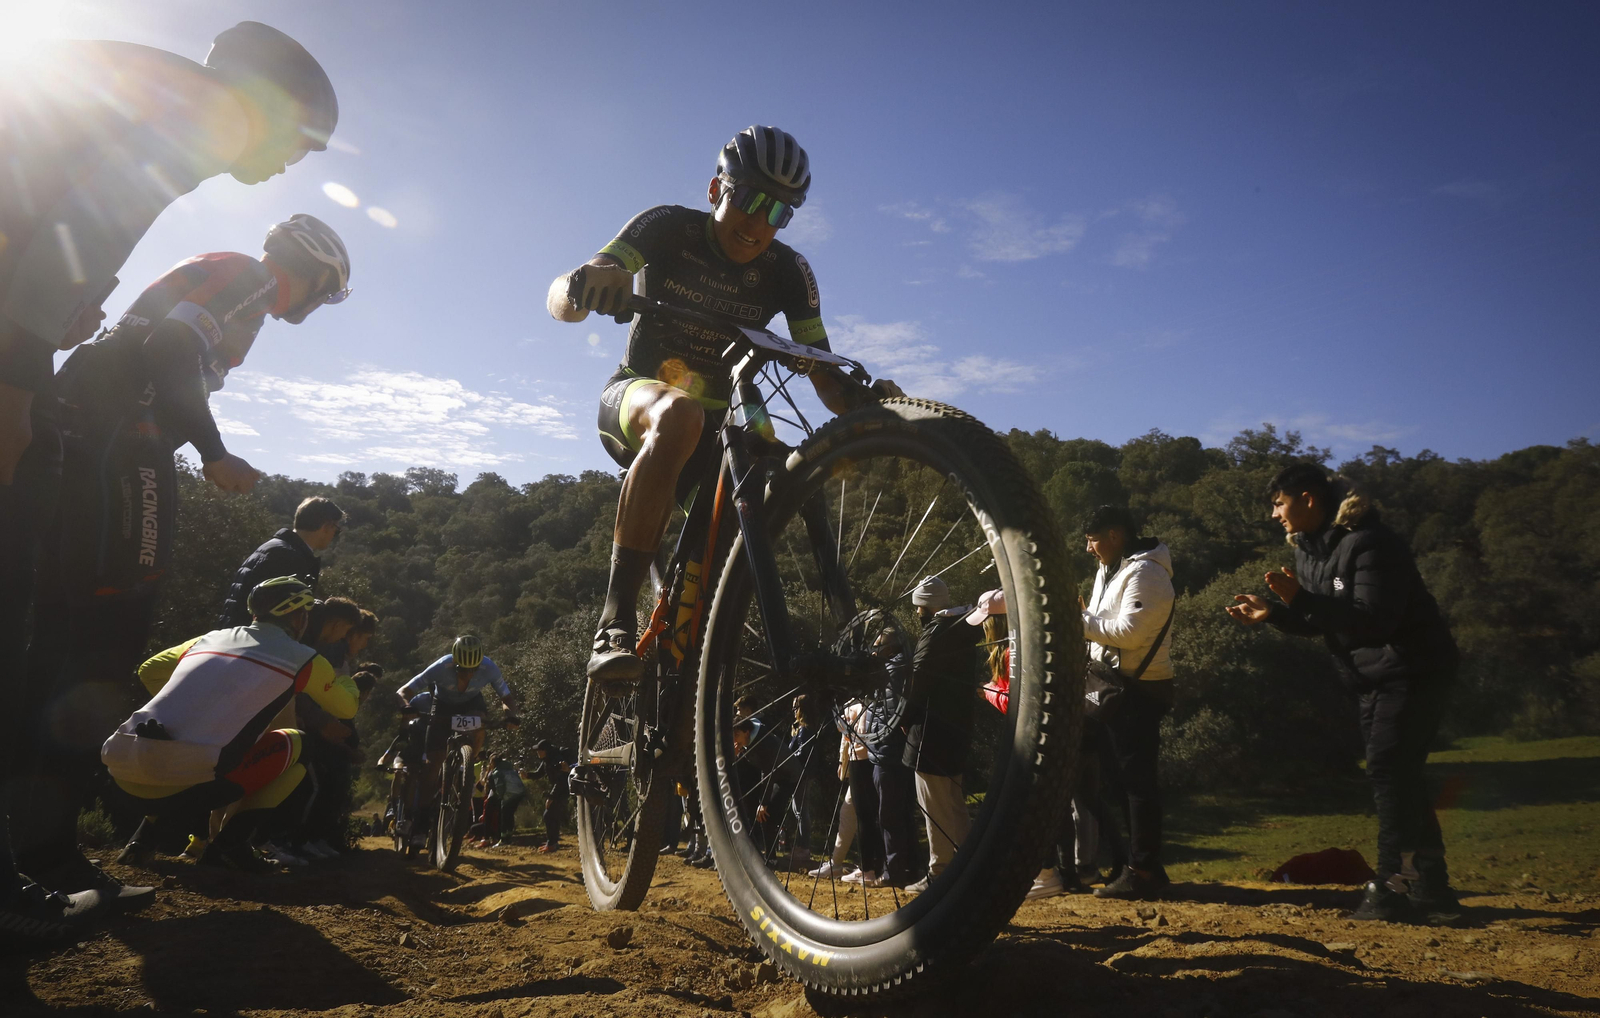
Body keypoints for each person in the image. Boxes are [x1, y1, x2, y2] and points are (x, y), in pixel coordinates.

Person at [2, 217, 352, 898]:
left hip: (87, 432)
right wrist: (212, 451)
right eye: (325, 289)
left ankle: (36, 849)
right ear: (307, 268)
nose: (315, 303)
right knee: (105, 641)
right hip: (120, 443)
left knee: (59, 638)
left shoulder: (228, 278)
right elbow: (169, 346)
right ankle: (49, 855)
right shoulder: (252, 279)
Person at [546, 125, 901, 688]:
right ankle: (614, 620)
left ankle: (693, 671)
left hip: (724, 433)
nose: (760, 223)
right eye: (750, 199)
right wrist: (589, 282)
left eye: (780, 211)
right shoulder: (667, 227)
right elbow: (562, 300)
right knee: (682, 414)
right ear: (717, 190)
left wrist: (871, 404)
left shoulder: (790, 271)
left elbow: (823, 371)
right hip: (641, 398)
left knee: (777, 472)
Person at [1227, 463, 1461, 924]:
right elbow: (1323, 620)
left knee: (1390, 770)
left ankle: (1393, 884)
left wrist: (1302, 601)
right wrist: (1275, 612)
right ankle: (1430, 885)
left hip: (1413, 670)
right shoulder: (1309, 551)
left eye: (1279, 503)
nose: (1275, 514)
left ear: (1309, 499)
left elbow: (1375, 621)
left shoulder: (1372, 543)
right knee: (1400, 773)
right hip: (1371, 677)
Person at [101, 577, 357, 873]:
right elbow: (345, 706)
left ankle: (142, 841)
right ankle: (229, 846)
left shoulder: (210, 638)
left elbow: (150, 669)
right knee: (300, 745)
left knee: (178, 744)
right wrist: (349, 682)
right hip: (191, 785)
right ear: (299, 617)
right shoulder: (303, 658)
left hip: (122, 772)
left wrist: (193, 703)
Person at [1079, 505, 1176, 902]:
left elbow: (1130, 633)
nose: (1089, 549)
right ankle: (1135, 864)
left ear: (1116, 535)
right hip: (1114, 686)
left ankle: (1143, 871)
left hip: (1138, 689)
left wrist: (1078, 620)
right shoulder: (1114, 568)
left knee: (1136, 782)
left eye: (1093, 539)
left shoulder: (1147, 573)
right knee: (1117, 778)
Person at [900, 577, 984, 893]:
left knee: (933, 806)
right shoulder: (964, 630)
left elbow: (918, 679)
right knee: (954, 803)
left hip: (930, 733)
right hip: (957, 728)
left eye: (918, 606)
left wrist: (903, 716)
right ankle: (970, 866)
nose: (917, 612)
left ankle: (941, 871)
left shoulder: (935, 634)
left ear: (926, 605)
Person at [395, 636, 520, 828]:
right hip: (442, 705)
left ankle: (469, 762)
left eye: (474, 669)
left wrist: (511, 715)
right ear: (454, 663)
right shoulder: (441, 666)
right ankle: (420, 822)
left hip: (471, 703)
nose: (469, 674)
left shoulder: (489, 667)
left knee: (479, 723)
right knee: (432, 765)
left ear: (480, 665)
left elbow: (507, 698)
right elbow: (404, 691)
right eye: (463, 669)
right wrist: (406, 707)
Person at [219, 497, 347, 627]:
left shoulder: (274, 548)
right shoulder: (289, 558)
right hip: (253, 643)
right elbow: (278, 619)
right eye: (336, 530)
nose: (334, 536)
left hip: (236, 637)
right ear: (326, 527)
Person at [526, 740, 570, 852]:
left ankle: (552, 844)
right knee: (551, 815)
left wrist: (551, 797)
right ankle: (552, 842)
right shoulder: (546, 760)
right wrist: (527, 775)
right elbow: (538, 774)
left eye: (539, 750)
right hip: (558, 790)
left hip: (562, 790)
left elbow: (561, 780)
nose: (537, 753)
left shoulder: (555, 759)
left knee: (549, 815)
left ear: (545, 750)